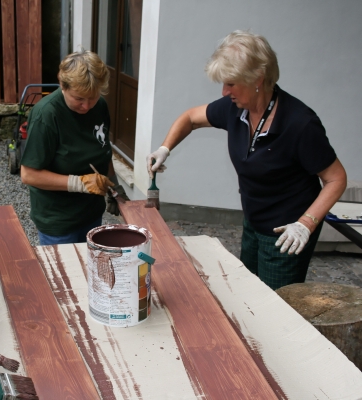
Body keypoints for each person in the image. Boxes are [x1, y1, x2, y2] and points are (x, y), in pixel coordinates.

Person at [147, 31, 347, 290]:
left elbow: (336, 179)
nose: (224, 91)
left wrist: (305, 224)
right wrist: (165, 148)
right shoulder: (235, 108)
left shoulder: (300, 124)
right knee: (249, 291)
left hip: (286, 231)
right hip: (253, 220)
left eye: (231, 83)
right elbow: (190, 118)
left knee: (275, 302)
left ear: (257, 79)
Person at [20, 50, 129, 245]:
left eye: (92, 97)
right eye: (79, 98)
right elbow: (29, 175)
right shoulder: (46, 115)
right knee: (64, 265)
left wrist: (114, 187)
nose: (86, 106)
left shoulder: (100, 106)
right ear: (62, 85)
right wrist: (81, 183)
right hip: (58, 221)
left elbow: (103, 152)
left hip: (91, 214)